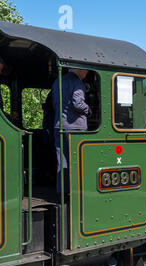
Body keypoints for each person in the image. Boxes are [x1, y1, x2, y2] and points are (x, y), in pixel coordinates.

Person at [52, 68, 91, 196]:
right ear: (79, 70)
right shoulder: (77, 82)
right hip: (75, 128)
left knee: (61, 160)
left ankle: (62, 192)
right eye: (85, 71)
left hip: (59, 125)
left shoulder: (57, 81)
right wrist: (89, 110)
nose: (86, 73)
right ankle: (77, 194)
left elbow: (54, 103)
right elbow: (78, 104)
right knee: (77, 162)